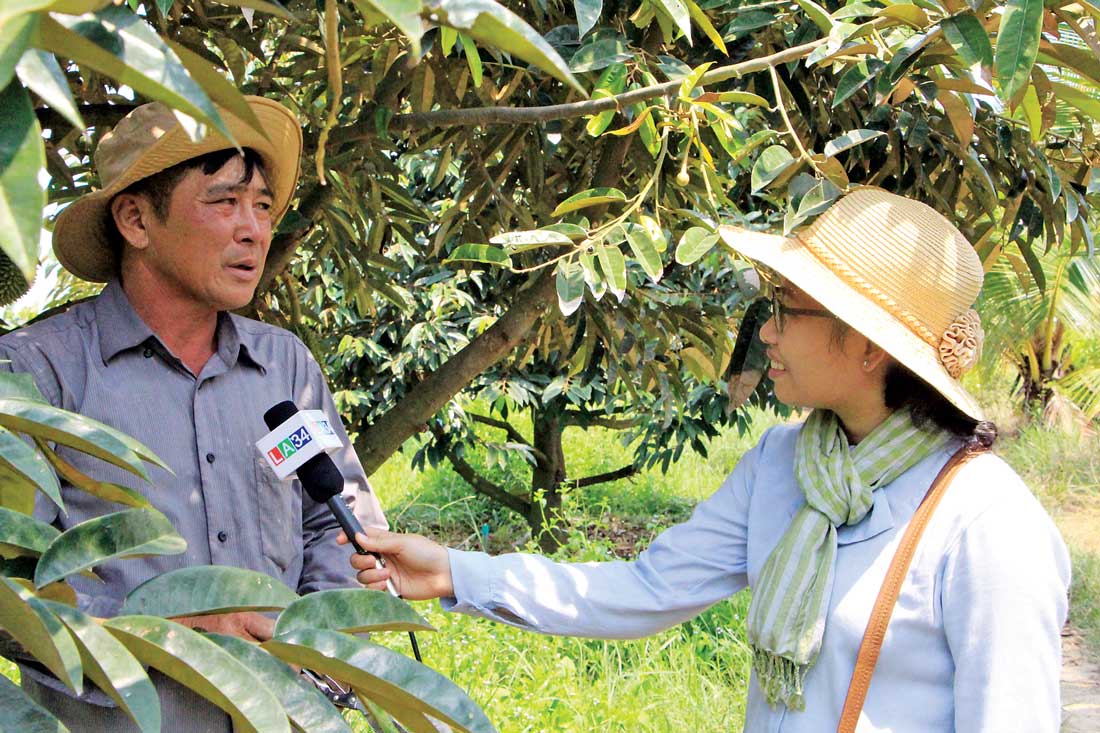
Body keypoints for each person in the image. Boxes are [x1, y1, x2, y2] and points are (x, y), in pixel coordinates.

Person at [344, 189, 1071, 732]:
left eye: (785, 308)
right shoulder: (783, 464)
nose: (767, 334)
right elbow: (643, 588)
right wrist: (454, 570)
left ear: (867, 344)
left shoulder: (985, 524)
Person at [0, 97, 387, 732]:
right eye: (224, 201)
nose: (254, 229)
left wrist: (316, 643)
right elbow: (14, 597)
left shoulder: (282, 368)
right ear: (136, 220)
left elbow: (337, 521)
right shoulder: (38, 377)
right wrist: (179, 633)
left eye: (262, 206)